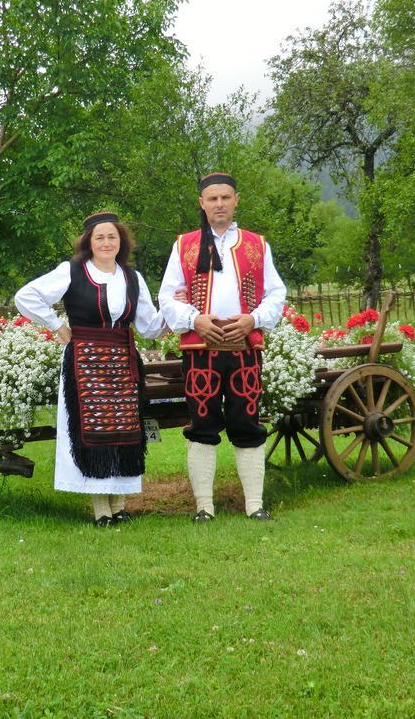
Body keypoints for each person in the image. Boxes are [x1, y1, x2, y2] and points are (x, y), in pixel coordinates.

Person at [15, 212, 167, 526]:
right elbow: (26, 296)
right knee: (94, 431)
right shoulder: (71, 271)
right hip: (85, 361)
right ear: (89, 241)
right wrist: (57, 325)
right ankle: (101, 510)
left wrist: (176, 310)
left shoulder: (132, 277)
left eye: (112, 236)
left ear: (121, 241)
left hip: (123, 362)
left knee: (124, 433)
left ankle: (120, 505)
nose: (107, 242)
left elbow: (149, 325)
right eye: (100, 237)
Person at [158, 172, 287, 522]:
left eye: (225, 197)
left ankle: (255, 505)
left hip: (244, 347)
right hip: (201, 349)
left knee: (247, 421)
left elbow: (276, 292)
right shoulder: (184, 245)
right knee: (202, 422)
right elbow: (167, 296)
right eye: (212, 198)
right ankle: (204, 506)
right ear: (201, 203)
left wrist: (253, 319)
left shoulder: (256, 244)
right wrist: (195, 320)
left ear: (236, 200)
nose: (219, 204)